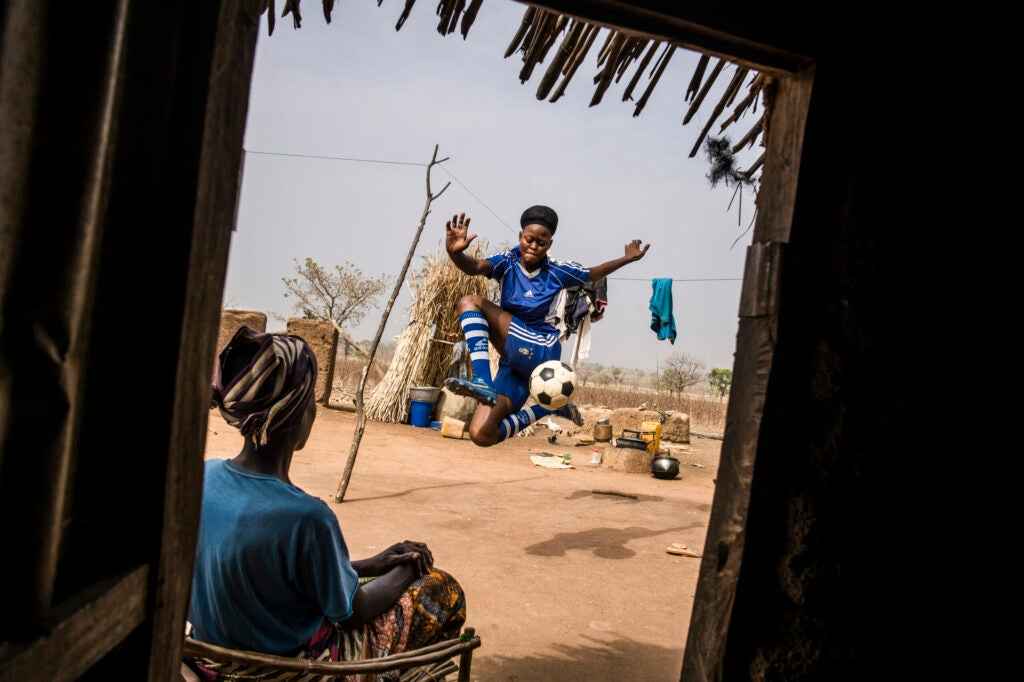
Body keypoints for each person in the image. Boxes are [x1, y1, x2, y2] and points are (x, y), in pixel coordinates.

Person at [186, 325, 466, 681]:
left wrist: (373, 563)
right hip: (289, 669)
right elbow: (350, 612)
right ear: (302, 414)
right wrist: (408, 570)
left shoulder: (201, 478)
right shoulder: (306, 517)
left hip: (212, 660)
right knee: (442, 590)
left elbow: (268, 571)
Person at [443, 205, 650, 447]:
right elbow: (474, 267)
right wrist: (455, 254)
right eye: (529, 239)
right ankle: (547, 409)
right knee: (481, 434)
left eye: (541, 243)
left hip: (541, 347)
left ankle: (482, 381)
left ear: (549, 245)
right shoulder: (506, 263)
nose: (534, 246)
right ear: (520, 237)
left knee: (470, 303)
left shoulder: (557, 272)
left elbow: (594, 273)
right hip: (515, 364)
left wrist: (626, 259)